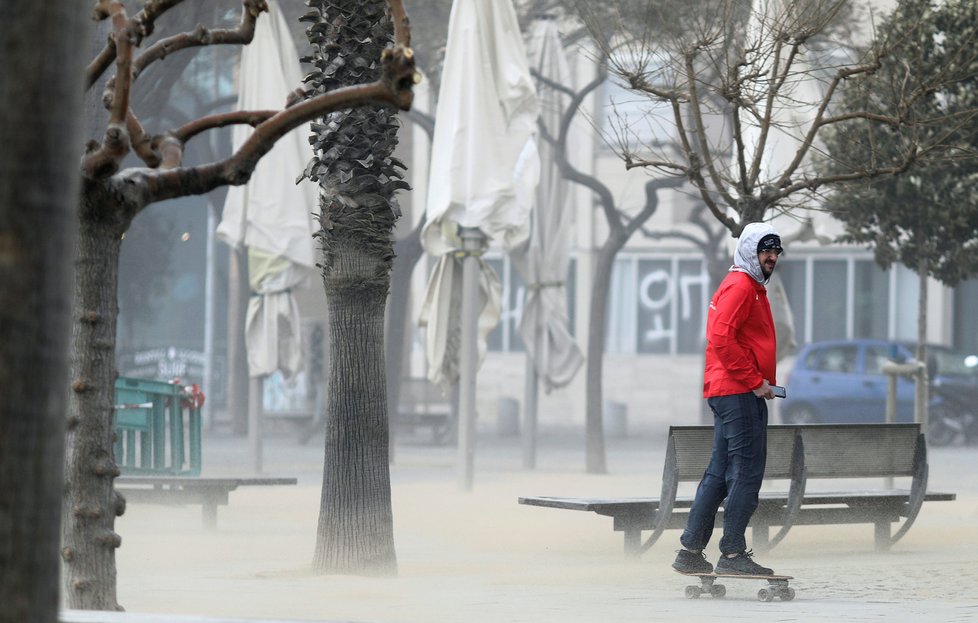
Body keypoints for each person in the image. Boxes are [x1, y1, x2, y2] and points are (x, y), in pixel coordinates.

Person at [672, 221, 783, 576]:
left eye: (776, 251)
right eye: (765, 250)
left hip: (729, 390)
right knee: (747, 471)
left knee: (719, 473)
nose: (771, 257)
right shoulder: (741, 286)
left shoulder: (746, 286)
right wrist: (754, 381)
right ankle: (733, 554)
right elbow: (720, 337)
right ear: (750, 251)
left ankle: (690, 551)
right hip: (738, 392)